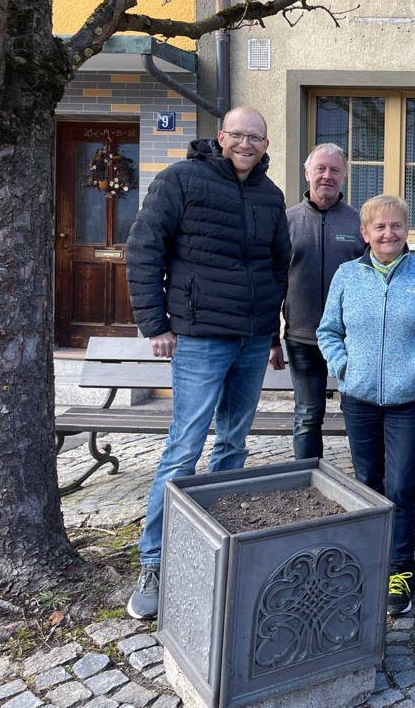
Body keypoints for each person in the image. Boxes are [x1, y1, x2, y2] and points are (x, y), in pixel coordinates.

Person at [124, 106, 290, 620]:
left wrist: (271, 333)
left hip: (250, 338)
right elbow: (143, 249)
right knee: (183, 449)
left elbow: (277, 265)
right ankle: (153, 560)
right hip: (198, 336)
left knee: (234, 444)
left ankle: (218, 545)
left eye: (255, 137)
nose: (246, 143)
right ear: (220, 137)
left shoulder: (270, 194)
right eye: (238, 135)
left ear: (265, 144)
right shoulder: (181, 180)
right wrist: (155, 323)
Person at [317, 194, 415, 616]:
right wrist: (345, 369)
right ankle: (368, 560)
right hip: (358, 398)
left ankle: (398, 569)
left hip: (406, 399)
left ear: (406, 230)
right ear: (365, 233)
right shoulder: (346, 276)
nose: (388, 233)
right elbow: (328, 331)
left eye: (396, 226)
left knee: (400, 484)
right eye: (379, 227)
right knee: (366, 481)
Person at [284, 144, 366, 460]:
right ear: (307, 173)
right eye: (320, 169)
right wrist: (270, 340)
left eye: (334, 170)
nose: (326, 176)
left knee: (358, 414)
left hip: (353, 339)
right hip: (302, 338)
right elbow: (273, 281)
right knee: (307, 415)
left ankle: (367, 487)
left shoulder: (360, 224)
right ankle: (307, 482)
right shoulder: (287, 221)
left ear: (344, 175)